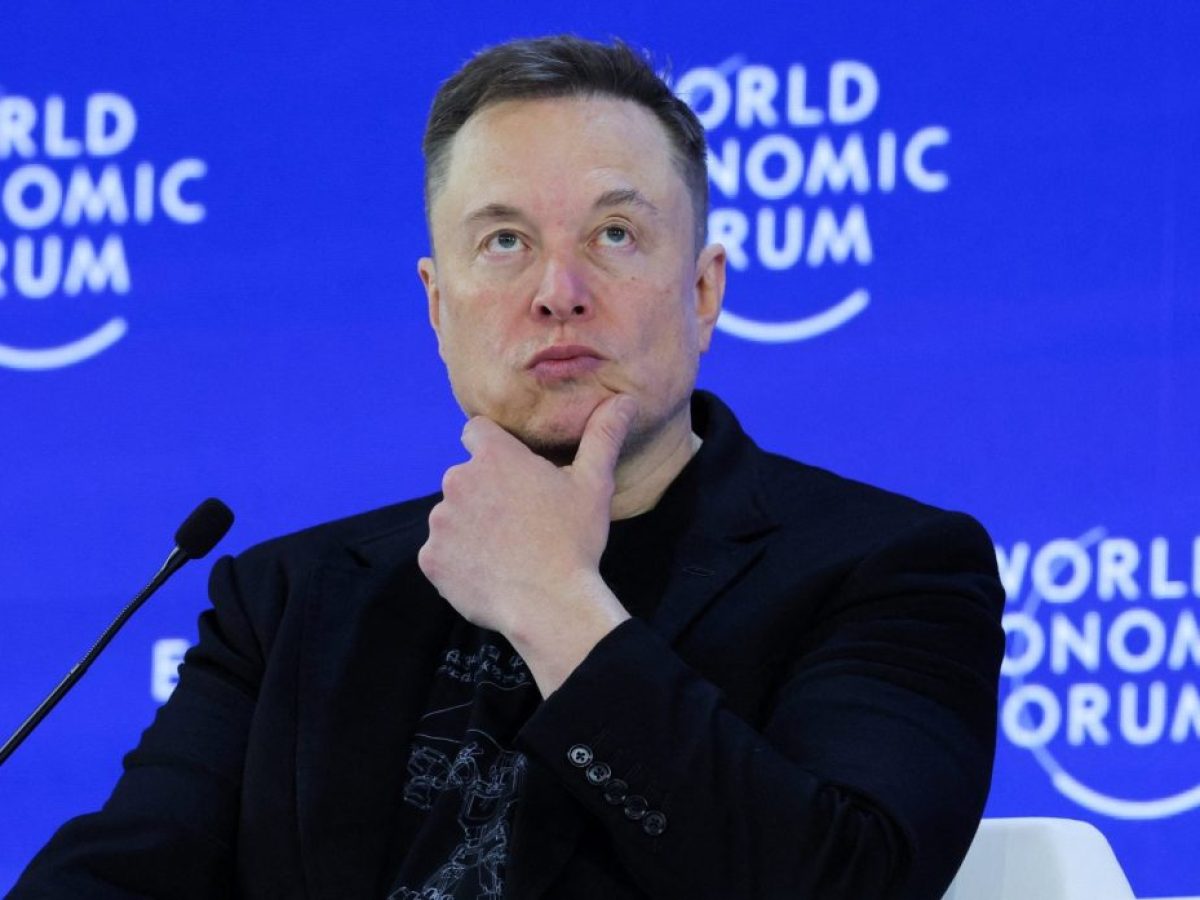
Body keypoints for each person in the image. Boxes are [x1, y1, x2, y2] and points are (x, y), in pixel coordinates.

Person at [10, 35, 1005, 900]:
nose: (557, 291)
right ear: (438, 306)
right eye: (504, 242)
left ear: (703, 294)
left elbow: (840, 882)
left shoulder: (889, 568)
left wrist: (558, 607)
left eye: (614, 234)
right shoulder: (286, 602)